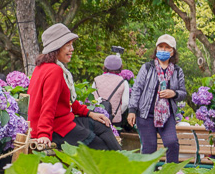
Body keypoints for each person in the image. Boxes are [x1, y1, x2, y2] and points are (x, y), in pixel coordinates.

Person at [28, 23, 119, 151]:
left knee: (103, 126)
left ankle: (124, 159)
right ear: (57, 48)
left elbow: (66, 101)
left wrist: (90, 113)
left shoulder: (42, 67)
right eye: (68, 45)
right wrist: (43, 133)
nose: (72, 49)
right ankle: (123, 160)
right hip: (56, 129)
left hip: (62, 122)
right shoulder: (54, 70)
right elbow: (48, 104)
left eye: (72, 45)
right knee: (103, 149)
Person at [127, 35, 187, 163]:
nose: (163, 49)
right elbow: (137, 89)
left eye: (167, 47)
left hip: (167, 115)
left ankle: (172, 172)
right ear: (156, 49)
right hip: (145, 114)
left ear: (172, 51)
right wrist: (132, 110)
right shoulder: (147, 67)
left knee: (172, 143)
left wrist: (174, 93)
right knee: (149, 148)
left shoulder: (177, 71)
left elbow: (183, 93)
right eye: (161, 46)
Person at [94, 53, 132, 131]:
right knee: (115, 138)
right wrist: (117, 113)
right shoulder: (123, 82)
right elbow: (125, 103)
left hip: (98, 118)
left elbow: (92, 98)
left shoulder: (96, 80)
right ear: (120, 67)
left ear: (104, 66)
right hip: (115, 119)